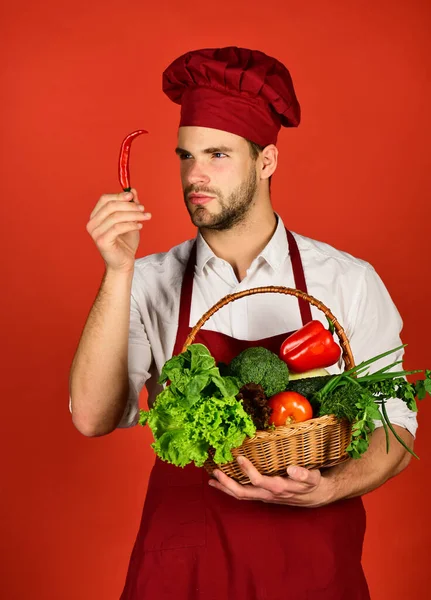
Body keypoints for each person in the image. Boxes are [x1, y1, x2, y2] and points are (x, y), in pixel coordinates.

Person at [69, 47, 417, 600]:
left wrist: (329, 489)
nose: (195, 176)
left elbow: (396, 425)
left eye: (217, 155)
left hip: (310, 568)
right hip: (184, 567)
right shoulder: (149, 281)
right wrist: (117, 272)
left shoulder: (347, 281)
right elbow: (91, 417)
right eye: (186, 156)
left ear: (267, 162)